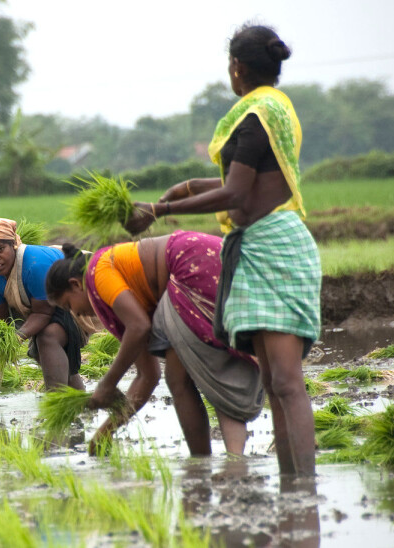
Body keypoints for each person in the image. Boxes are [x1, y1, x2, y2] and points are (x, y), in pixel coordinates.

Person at [124, 24, 321, 477]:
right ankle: (292, 489)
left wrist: (159, 208)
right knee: (274, 383)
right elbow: (249, 182)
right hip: (258, 248)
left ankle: (303, 492)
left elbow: (235, 193)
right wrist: (190, 187)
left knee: (287, 384)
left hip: (273, 250)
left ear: (237, 68)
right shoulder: (275, 110)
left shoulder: (254, 118)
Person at [45, 233, 264, 456]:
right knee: (177, 378)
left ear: (75, 285)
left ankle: (230, 461)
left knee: (212, 372)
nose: (76, 313)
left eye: (68, 305)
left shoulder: (98, 273)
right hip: (202, 259)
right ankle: (209, 462)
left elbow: (139, 327)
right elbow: (147, 376)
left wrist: (107, 383)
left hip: (193, 264)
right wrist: (107, 430)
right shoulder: (127, 296)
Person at [0, 218, 96, 390]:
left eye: (0, 249)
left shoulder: (34, 264)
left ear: (13, 244)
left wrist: (16, 338)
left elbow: (43, 313)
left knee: (48, 337)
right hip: (48, 306)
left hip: (81, 296)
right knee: (49, 354)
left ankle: (56, 400)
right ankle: (73, 402)